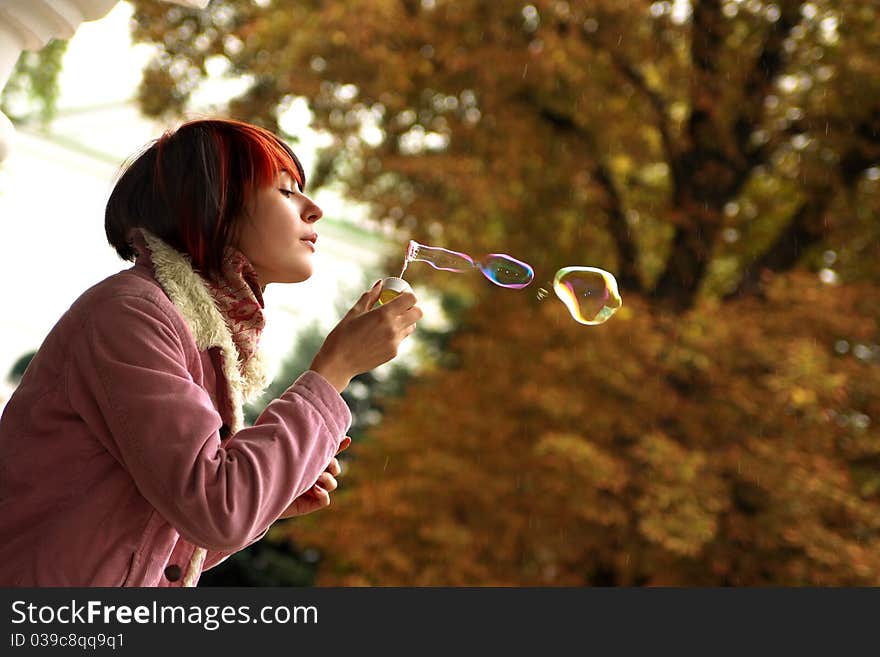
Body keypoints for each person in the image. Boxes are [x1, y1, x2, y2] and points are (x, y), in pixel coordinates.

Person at [0, 118, 422, 586]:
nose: (314, 209)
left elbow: (167, 536)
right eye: (285, 192)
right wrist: (333, 371)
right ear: (215, 205)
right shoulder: (133, 314)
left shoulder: (193, 330)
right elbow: (216, 509)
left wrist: (270, 496)